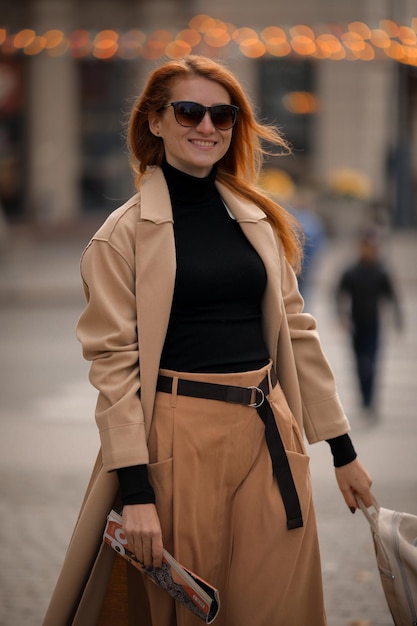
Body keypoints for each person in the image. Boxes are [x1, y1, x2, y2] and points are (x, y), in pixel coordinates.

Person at [43, 55, 373, 626]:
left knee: (280, 608)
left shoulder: (259, 220)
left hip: (270, 434)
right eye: (190, 112)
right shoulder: (120, 236)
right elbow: (113, 367)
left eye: (222, 116)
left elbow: (298, 331)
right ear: (155, 121)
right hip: (178, 438)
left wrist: (343, 452)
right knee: (195, 612)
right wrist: (138, 494)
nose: (206, 127)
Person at [336, 228, 402, 413]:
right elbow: (339, 294)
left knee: (371, 362)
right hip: (356, 323)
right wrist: (341, 317)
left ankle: (371, 399)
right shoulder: (352, 271)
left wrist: (398, 320)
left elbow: (392, 297)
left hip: (373, 323)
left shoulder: (380, 271)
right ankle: (364, 397)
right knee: (359, 362)